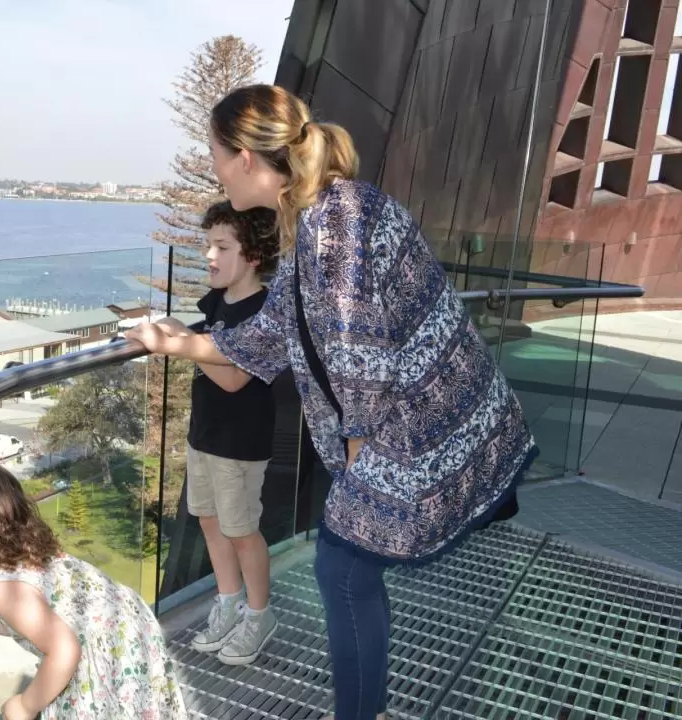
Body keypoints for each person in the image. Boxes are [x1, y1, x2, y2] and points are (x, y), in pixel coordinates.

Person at [126, 84, 537, 720]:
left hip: (421, 433)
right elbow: (272, 335)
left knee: (342, 571)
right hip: (433, 425)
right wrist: (181, 342)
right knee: (347, 572)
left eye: (213, 154)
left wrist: (353, 471)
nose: (212, 168)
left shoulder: (331, 227)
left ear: (243, 157)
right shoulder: (319, 216)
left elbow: (358, 362)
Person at [0, 457, 188, 720]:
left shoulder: (7, 591)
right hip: (130, 647)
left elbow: (65, 650)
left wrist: (25, 705)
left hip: (96, 672)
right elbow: (17, 620)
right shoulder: (32, 553)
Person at [175, 199, 280, 666]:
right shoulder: (217, 302)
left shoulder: (265, 311)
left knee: (242, 531)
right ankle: (229, 602)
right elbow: (209, 343)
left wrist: (180, 344)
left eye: (221, 246)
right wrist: (184, 335)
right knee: (211, 523)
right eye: (207, 246)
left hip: (240, 444)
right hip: (206, 436)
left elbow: (236, 377)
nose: (209, 256)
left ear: (253, 255)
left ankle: (259, 614)